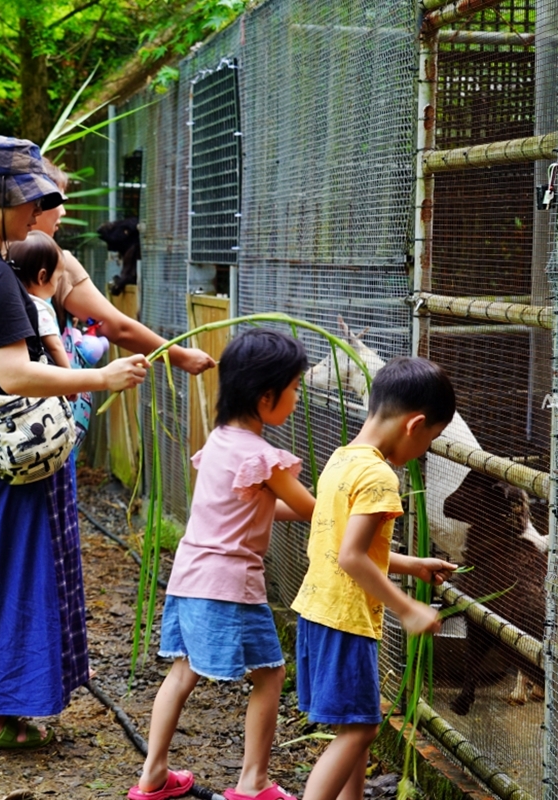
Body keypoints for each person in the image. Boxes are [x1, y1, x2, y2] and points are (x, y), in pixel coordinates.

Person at [0, 136, 149, 750]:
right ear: (7, 199)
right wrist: (99, 376)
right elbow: (13, 373)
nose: (37, 212)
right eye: (33, 199)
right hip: (6, 446)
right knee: (17, 571)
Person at [130, 329, 316, 800]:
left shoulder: (220, 441)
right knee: (270, 675)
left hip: (190, 576)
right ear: (265, 395)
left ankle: (153, 775)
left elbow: (263, 507)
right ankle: (253, 783)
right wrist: (353, 508)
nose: (297, 398)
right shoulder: (261, 457)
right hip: (230, 582)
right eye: (294, 388)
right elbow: (314, 509)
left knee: (183, 669)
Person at [291, 357, 460, 800]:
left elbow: (343, 545)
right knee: (359, 731)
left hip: (318, 610)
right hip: (346, 619)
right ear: (415, 424)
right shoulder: (381, 476)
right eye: (432, 439)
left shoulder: (342, 458)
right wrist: (408, 609)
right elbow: (352, 557)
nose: (425, 450)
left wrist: (413, 564)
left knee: (356, 726)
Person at [33, 157, 214, 442]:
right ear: (33, 204)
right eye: (58, 200)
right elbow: (116, 326)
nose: (64, 211)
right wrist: (180, 356)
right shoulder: (57, 262)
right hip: (47, 427)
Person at [7, 231, 70, 369]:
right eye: (58, 279)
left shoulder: (10, 302)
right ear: (42, 277)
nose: (58, 284)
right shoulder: (38, 308)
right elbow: (55, 346)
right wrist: (71, 377)